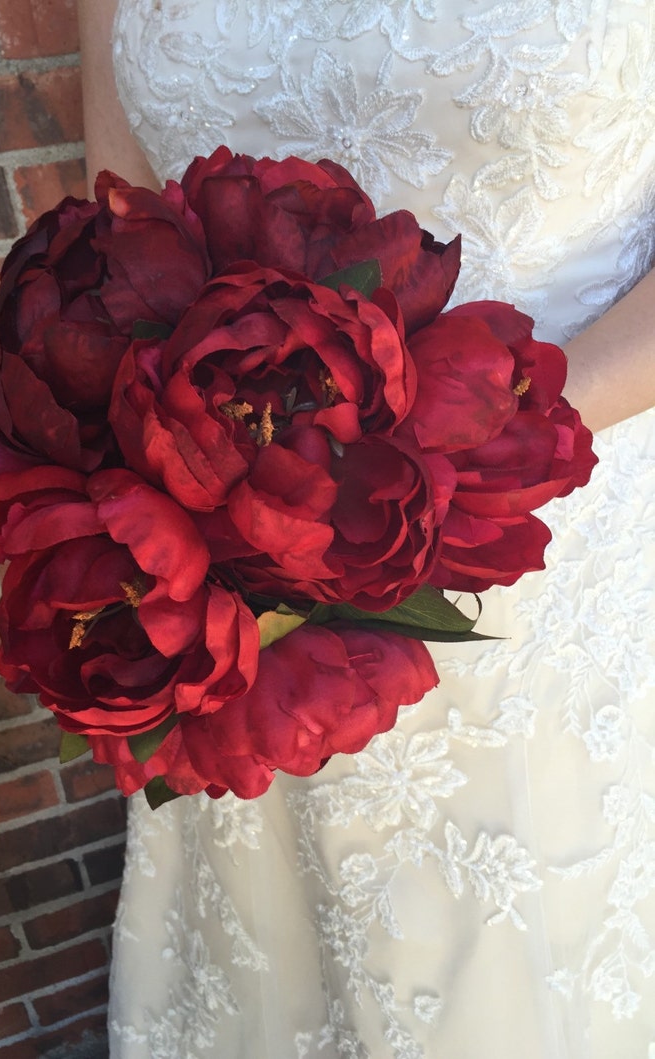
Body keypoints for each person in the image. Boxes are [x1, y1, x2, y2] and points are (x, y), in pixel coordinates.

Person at [78, 2, 655, 1055]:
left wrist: (447, 463)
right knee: (289, 929)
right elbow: (116, 225)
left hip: (544, 543)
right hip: (240, 557)